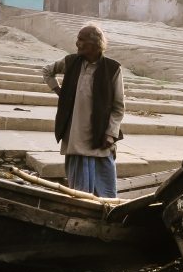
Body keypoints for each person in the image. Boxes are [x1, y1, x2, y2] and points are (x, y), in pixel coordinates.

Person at [42, 23, 124, 198]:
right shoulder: (71, 62)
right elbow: (47, 71)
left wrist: (110, 133)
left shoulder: (113, 69)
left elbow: (118, 107)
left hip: (100, 133)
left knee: (104, 179)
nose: (77, 43)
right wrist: (60, 93)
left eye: (81, 40)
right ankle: (80, 201)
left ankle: (106, 204)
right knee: (78, 180)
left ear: (94, 44)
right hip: (75, 131)